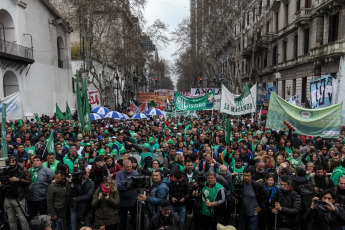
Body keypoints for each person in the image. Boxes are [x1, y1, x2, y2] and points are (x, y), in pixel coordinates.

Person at [2, 155, 31, 230]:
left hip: (19, 197)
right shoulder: (4, 169)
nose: (11, 163)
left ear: (16, 161)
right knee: (11, 219)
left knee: (22, 218)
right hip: (7, 196)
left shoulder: (22, 169)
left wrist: (18, 179)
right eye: (10, 161)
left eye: (13, 161)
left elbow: (28, 181)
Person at [115, 160, 139, 230]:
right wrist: (128, 186)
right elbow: (117, 185)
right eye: (127, 167)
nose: (129, 168)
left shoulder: (135, 173)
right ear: (123, 167)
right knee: (122, 220)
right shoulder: (119, 173)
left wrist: (124, 184)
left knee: (134, 219)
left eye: (130, 166)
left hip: (132, 201)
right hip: (122, 201)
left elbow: (135, 185)